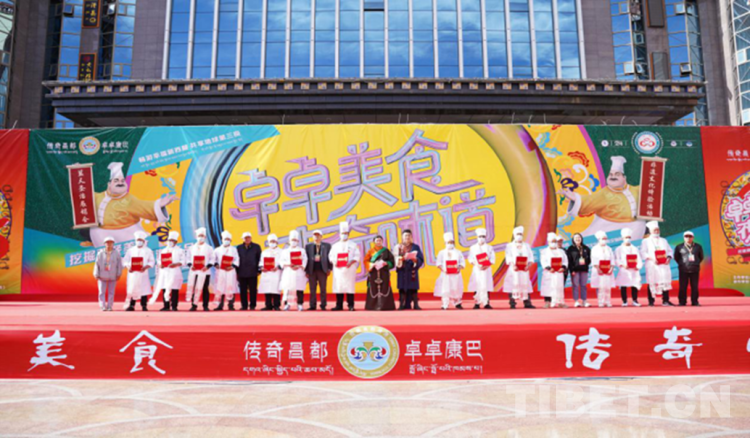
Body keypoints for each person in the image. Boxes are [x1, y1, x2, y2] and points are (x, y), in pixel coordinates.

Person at [86, 162, 177, 247]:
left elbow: (144, 206)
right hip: (101, 233)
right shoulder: (98, 196)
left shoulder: (129, 199)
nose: (120, 183)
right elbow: (83, 193)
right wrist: (79, 171)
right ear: (109, 184)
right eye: (116, 181)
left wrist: (159, 204)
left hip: (127, 232)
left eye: (122, 181)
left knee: (144, 249)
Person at [560, 156, 645, 239]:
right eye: (611, 174)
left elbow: (650, 188)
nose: (613, 177)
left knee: (639, 224)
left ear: (624, 178)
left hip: (634, 228)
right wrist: (575, 198)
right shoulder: (605, 193)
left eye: (617, 174)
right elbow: (590, 200)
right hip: (609, 227)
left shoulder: (635, 190)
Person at [641, 221, 675, 306]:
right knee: (652, 282)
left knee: (665, 281)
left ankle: (665, 300)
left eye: (658, 229)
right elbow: (643, 252)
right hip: (653, 265)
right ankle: (651, 301)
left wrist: (668, 258)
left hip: (663, 265)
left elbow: (670, 251)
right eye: (655, 230)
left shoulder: (663, 240)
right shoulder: (646, 241)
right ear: (650, 231)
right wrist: (652, 258)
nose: (656, 231)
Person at [329, 222, 361, 311]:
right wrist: (334, 262)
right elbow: (331, 256)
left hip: (349, 269)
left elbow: (357, 256)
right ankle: (339, 305)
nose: (344, 235)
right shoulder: (335, 245)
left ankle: (351, 305)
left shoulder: (353, 245)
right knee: (339, 286)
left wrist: (351, 262)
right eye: (343, 233)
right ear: (340, 234)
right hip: (338, 269)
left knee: (349, 287)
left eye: (346, 233)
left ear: (348, 234)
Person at [502, 226, 535, 309]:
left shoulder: (526, 245)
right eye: (517, 234)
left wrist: (528, 265)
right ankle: (512, 303)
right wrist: (513, 265)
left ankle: (527, 303)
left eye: (520, 234)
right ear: (514, 235)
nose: (519, 236)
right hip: (514, 269)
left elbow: (531, 256)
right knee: (512, 285)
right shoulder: (510, 246)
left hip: (524, 270)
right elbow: (508, 256)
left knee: (525, 284)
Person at [123, 231, 155, 311]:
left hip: (143, 273)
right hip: (132, 273)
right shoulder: (130, 250)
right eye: (138, 240)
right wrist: (128, 267)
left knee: (144, 289)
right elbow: (125, 260)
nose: (139, 242)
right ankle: (131, 305)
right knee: (132, 288)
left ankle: (144, 306)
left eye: (141, 240)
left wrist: (145, 267)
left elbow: (152, 261)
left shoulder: (148, 250)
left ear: (144, 241)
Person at [393, 229, 424, 310]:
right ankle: (401, 304)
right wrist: (400, 259)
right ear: (402, 237)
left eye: (409, 235)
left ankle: (416, 304)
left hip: (412, 270)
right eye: (406, 235)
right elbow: (394, 257)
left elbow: (420, 258)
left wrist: (415, 259)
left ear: (411, 237)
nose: (407, 237)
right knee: (402, 287)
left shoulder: (415, 246)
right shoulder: (398, 247)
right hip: (402, 270)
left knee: (413, 287)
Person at [185, 227, 215, 312]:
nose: (200, 237)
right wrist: (191, 265)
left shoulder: (209, 248)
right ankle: (194, 305)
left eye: (202, 236)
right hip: (194, 271)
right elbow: (187, 258)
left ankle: (205, 306)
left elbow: (212, 259)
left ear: (205, 237)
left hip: (205, 271)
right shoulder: (191, 248)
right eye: (199, 236)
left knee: (205, 289)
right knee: (194, 288)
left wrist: (207, 267)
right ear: (196, 237)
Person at [153, 231, 184, 311]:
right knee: (164, 289)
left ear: (176, 242)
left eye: (172, 240)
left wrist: (176, 264)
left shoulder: (180, 250)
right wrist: (160, 264)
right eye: (169, 240)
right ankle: (166, 306)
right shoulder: (163, 250)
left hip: (175, 272)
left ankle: (174, 306)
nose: (170, 242)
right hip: (165, 272)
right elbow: (159, 260)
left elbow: (184, 261)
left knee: (174, 289)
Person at [364, 235, 396, 311]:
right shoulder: (370, 251)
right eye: (377, 240)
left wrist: (386, 263)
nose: (378, 242)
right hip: (373, 273)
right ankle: (372, 306)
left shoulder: (386, 251)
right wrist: (372, 264)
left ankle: (385, 306)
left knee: (385, 287)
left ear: (382, 241)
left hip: (384, 272)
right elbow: (366, 261)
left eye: (380, 240)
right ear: (374, 241)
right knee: (373, 288)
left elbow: (392, 262)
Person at [434, 232, 466, 310]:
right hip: (445, 274)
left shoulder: (458, 252)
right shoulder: (441, 252)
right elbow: (438, 263)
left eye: (451, 242)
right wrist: (443, 270)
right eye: (448, 242)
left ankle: (457, 303)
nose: (450, 244)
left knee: (457, 288)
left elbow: (462, 262)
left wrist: (459, 268)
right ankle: (445, 304)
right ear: (445, 243)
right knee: (445, 289)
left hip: (456, 274)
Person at [280, 230, 308, 311]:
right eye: (292, 240)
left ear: (298, 241)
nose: (293, 242)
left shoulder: (302, 251)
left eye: (295, 240)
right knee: (287, 289)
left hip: (299, 272)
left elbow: (305, 260)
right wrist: (289, 264)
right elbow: (281, 261)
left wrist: (299, 266)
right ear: (289, 241)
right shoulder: (285, 251)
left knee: (299, 289)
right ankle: (287, 304)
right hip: (288, 272)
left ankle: (300, 304)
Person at [674, 230, 704, 306]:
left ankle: (695, 301)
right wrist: (682, 264)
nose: (688, 238)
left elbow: (701, 257)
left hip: (694, 269)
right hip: (683, 270)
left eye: (690, 236)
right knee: (682, 287)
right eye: (686, 236)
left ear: (693, 237)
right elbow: (676, 257)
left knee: (694, 286)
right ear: (684, 237)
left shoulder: (698, 246)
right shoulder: (679, 247)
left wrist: (695, 263)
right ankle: (682, 302)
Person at [467, 228, 495, 309]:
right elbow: (470, 258)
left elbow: (492, 258)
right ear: (477, 237)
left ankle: (486, 303)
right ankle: (477, 303)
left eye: (483, 236)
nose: (481, 238)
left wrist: (486, 266)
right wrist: (477, 264)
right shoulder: (473, 247)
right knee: (477, 285)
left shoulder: (489, 247)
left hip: (486, 270)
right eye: (480, 236)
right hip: (477, 270)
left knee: (486, 285)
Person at [93, 236, 122, 311]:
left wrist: (119, 274)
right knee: (101, 292)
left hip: (113, 275)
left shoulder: (117, 253)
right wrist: (96, 273)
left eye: (111, 242)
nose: (109, 244)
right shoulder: (100, 253)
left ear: (113, 244)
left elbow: (119, 264)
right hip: (102, 275)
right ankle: (102, 306)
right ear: (104, 244)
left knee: (111, 292)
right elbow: (96, 264)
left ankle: (110, 306)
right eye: (107, 242)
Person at [615, 227, 642, 307]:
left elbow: (639, 258)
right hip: (624, 270)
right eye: (626, 237)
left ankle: (635, 300)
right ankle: (624, 301)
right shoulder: (619, 249)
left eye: (629, 237)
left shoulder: (634, 248)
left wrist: (638, 266)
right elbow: (617, 259)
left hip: (634, 270)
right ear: (623, 238)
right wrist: (623, 265)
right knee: (623, 285)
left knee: (634, 284)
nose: (628, 239)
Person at [305, 230, 331, 310]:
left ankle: (323, 305)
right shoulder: (308, 246)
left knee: (323, 289)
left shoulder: (327, 246)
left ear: (321, 236)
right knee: (312, 289)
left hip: (322, 270)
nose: (316, 237)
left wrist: (329, 269)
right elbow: (306, 259)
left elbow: (330, 257)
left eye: (318, 235)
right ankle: (312, 305)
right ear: (312, 237)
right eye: (315, 235)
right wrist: (306, 271)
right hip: (312, 270)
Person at [540, 232, 569, 308]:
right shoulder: (544, 251)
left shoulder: (561, 251)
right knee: (548, 287)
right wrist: (549, 268)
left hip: (559, 273)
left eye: (555, 241)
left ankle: (560, 303)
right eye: (552, 241)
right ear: (548, 242)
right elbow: (543, 261)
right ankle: (547, 302)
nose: (554, 243)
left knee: (559, 288)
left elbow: (565, 261)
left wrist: (563, 267)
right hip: (549, 273)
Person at [213, 231, 239, 311]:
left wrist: (232, 266)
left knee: (230, 287)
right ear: (222, 240)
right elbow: (213, 259)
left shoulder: (234, 249)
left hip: (230, 271)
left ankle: (231, 305)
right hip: (221, 271)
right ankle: (219, 305)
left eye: (228, 239)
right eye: (225, 239)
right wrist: (216, 264)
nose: (226, 240)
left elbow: (237, 259)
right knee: (220, 288)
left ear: (230, 240)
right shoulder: (217, 250)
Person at [236, 232, 262, 310]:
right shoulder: (239, 248)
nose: (247, 239)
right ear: (242, 239)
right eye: (245, 238)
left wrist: (259, 270)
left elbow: (260, 259)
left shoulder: (256, 247)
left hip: (253, 272)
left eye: (248, 237)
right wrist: (237, 271)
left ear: (251, 238)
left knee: (253, 290)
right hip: (242, 272)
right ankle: (244, 305)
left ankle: (252, 305)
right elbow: (236, 260)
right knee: (243, 290)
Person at [590, 230, 615, 308]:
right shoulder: (594, 248)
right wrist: (598, 269)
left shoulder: (609, 249)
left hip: (608, 271)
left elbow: (612, 259)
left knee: (608, 287)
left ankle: (608, 301)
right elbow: (594, 259)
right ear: (599, 239)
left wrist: (611, 268)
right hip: (599, 271)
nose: (604, 240)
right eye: (602, 239)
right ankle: (600, 301)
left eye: (605, 239)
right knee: (601, 287)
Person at [566, 233, 591, 308]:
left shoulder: (586, 248)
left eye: (579, 237)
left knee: (583, 285)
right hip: (575, 270)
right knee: (575, 285)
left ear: (581, 238)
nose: (577, 239)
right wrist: (572, 270)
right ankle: (576, 301)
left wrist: (585, 264)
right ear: (573, 239)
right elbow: (569, 261)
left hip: (584, 269)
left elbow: (590, 258)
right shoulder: (570, 249)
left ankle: (584, 300)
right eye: (576, 237)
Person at [259, 234, 283, 311]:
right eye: (271, 241)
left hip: (276, 273)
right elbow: (261, 262)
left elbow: (283, 261)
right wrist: (262, 267)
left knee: (276, 290)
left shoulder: (281, 251)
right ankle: (268, 305)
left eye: (274, 241)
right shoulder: (265, 252)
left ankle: (276, 305)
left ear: (277, 242)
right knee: (267, 289)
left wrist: (278, 267)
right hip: (267, 273)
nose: (272, 243)